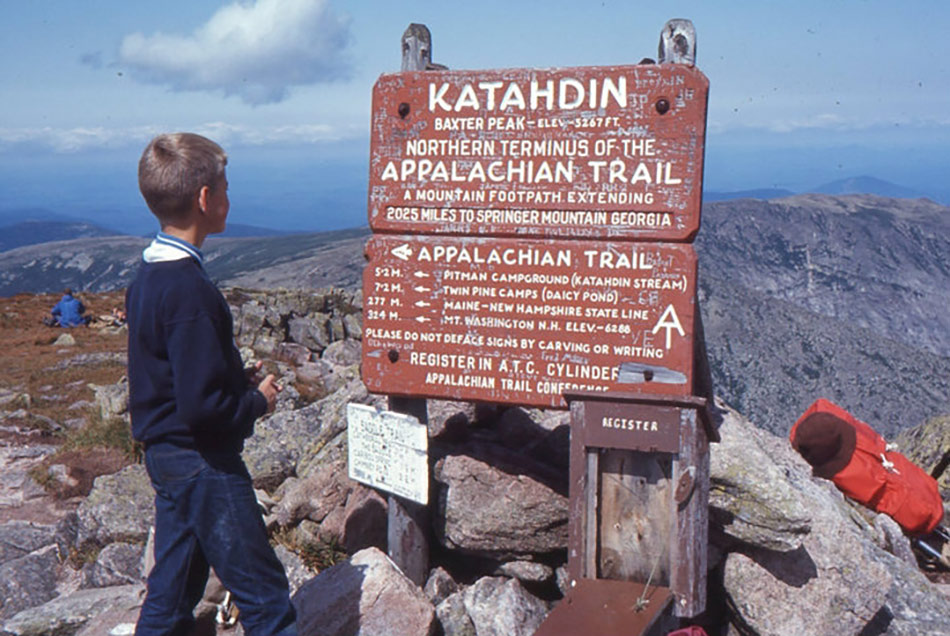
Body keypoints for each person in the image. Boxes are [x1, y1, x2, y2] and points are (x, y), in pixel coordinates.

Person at [127, 133, 297, 636]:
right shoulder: (189, 290)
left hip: (166, 454)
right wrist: (255, 401)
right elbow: (203, 409)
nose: (229, 199)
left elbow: (171, 373)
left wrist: (228, 379)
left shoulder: (148, 274)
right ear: (206, 200)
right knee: (265, 599)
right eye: (225, 188)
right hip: (204, 462)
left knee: (174, 589)